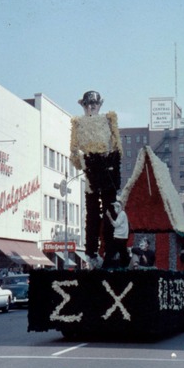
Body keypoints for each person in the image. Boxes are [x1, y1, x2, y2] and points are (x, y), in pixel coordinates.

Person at [69, 91, 122, 265]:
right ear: (83, 105)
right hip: (91, 168)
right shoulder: (77, 123)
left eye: (94, 104)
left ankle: (110, 250)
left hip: (106, 168)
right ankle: (92, 252)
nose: (91, 107)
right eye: (87, 104)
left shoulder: (108, 119)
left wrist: (113, 162)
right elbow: (74, 151)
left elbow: (117, 146)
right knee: (92, 213)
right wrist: (82, 163)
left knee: (109, 211)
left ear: (100, 105)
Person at [102, 200, 130, 268]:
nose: (114, 209)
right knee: (123, 255)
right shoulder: (122, 214)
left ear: (119, 207)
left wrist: (109, 216)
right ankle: (125, 269)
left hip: (119, 238)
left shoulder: (122, 214)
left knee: (110, 253)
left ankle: (104, 268)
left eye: (115, 207)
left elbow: (115, 224)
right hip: (121, 238)